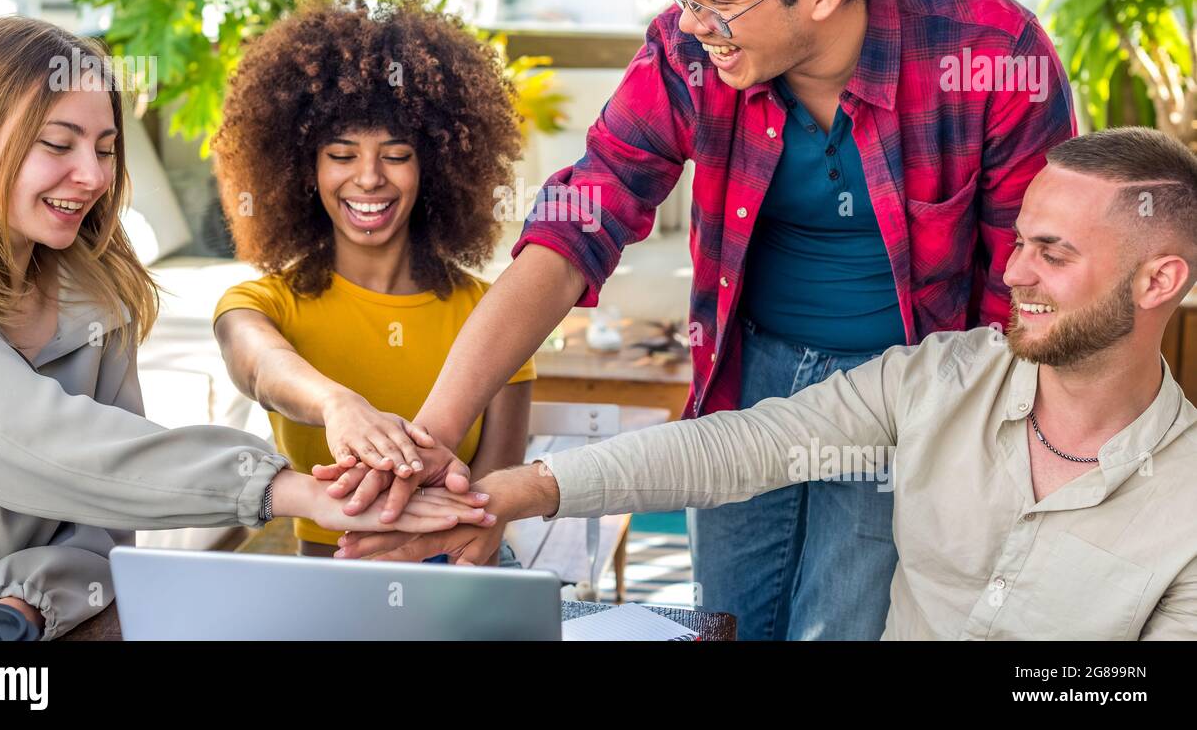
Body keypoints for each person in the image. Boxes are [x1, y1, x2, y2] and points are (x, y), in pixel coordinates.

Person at [328, 0, 1075, 638]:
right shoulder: (689, 53)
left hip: (906, 396)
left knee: (841, 621)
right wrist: (433, 433)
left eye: (715, 0)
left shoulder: (990, 53)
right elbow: (580, 219)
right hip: (744, 378)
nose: (689, 22)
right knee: (727, 620)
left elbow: (1035, 291)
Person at [338, 127, 1197, 640]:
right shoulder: (944, 378)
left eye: (1055, 253)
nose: (1015, 272)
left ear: (1159, 281)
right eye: (1020, 242)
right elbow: (744, 445)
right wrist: (507, 495)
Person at [0, 16, 490, 640]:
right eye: (59, 144)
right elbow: (35, 441)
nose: (95, 177)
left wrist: (21, 604)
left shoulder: (101, 301)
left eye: (104, 149)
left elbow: (102, 522)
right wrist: (287, 488)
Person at [211, 0, 534, 562]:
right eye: (341, 154)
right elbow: (260, 367)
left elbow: (492, 494)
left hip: (460, 572)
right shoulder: (260, 304)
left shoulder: (492, 311)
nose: (368, 178)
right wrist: (339, 406)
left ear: (434, 165)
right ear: (304, 169)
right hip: (329, 579)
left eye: (396, 154)